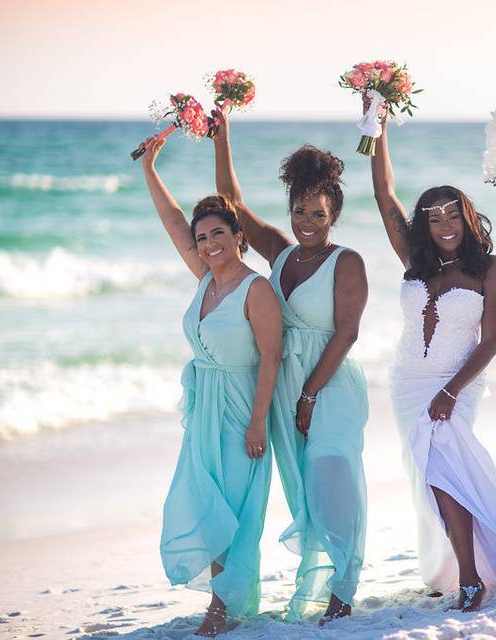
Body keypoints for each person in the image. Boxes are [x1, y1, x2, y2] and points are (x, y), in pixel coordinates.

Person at [370, 110, 496, 611]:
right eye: (434, 219)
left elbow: (492, 341)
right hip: (408, 383)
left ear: (468, 218)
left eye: (453, 215)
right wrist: (378, 130)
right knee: (430, 476)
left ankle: (472, 576)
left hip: (459, 384)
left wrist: (451, 390)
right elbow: (384, 198)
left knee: (446, 472)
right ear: (424, 225)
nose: (444, 225)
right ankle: (461, 568)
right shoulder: (415, 261)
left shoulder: (489, 269)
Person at [211, 110, 369, 623]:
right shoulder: (279, 251)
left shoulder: (348, 261)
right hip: (283, 387)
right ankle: (324, 587)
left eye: (318, 215)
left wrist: (309, 395)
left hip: (330, 382)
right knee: (305, 487)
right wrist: (223, 137)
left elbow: (347, 332)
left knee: (334, 470)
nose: (306, 223)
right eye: (300, 212)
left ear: (334, 216)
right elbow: (232, 206)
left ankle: (344, 587)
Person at [141, 136, 281, 635]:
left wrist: (259, 421)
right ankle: (226, 603)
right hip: (205, 408)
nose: (207, 244)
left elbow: (271, 357)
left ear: (238, 234)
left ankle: (221, 609)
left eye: (217, 233)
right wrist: (150, 170)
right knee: (206, 502)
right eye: (202, 238)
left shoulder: (255, 288)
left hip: (242, 408)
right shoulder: (205, 277)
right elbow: (173, 221)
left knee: (231, 509)